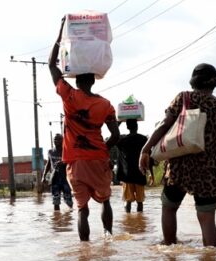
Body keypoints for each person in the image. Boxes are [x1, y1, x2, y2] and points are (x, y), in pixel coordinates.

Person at [139, 63, 216, 247]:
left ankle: (169, 250)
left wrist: (146, 149)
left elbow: (164, 125)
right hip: (211, 170)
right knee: (207, 219)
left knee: (169, 208)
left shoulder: (184, 98)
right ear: (215, 83)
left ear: (193, 81)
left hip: (179, 167)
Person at [49, 17, 120, 241]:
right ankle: (108, 238)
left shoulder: (69, 96)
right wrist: (102, 149)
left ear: (77, 80)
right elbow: (116, 136)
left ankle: (85, 250)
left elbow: (52, 65)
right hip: (98, 158)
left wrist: (61, 32)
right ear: (93, 81)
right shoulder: (105, 105)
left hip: (76, 162)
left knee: (82, 209)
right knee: (106, 200)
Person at [116, 119, 154, 213]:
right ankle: (140, 222)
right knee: (140, 202)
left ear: (127, 127)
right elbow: (149, 158)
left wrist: (117, 124)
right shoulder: (143, 139)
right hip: (139, 175)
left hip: (127, 176)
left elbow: (114, 136)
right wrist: (152, 174)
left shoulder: (123, 141)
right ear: (137, 126)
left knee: (127, 201)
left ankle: (128, 221)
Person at [42, 133, 73, 211]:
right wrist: (44, 176)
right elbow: (48, 164)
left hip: (66, 180)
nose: (56, 141)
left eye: (59, 139)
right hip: (54, 179)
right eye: (55, 139)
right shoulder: (50, 152)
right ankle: (57, 219)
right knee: (56, 201)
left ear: (63, 141)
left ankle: (69, 218)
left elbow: (72, 162)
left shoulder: (66, 151)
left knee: (69, 201)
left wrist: (64, 162)